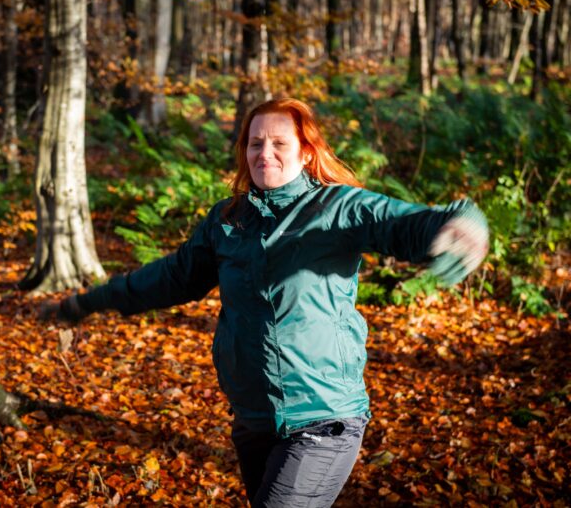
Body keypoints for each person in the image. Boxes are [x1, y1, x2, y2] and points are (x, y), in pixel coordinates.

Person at [41, 98, 489, 507]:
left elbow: (407, 223)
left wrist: (463, 224)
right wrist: (89, 302)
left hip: (323, 419)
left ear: (306, 152)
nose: (264, 153)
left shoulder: (337, 208)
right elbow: (172, 278)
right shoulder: (228, 219)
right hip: (254, 422)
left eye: (278, 142)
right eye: (255, 143)